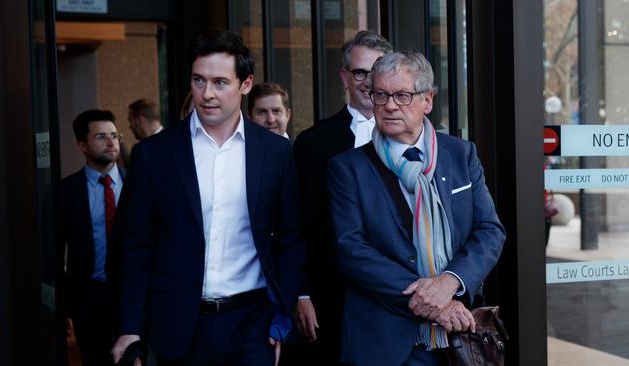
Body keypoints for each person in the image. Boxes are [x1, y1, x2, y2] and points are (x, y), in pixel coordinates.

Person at [111, 30, 306, 365]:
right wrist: (129, 327)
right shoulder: (155, 154)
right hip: (174, 323)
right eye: (198, 80)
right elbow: (134, 246)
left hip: (252, 323)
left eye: (220, 82)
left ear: (245, 85)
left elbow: (291, 237)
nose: (206, 94)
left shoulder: (274, 152)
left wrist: (280, 320)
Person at [327, 51, 505, 365]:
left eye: (402, 95)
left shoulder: (461, 154)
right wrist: (435, 303)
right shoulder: (348, 168)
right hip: (385, 341)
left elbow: (489, 231)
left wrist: (451, 282)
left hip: (459, 338)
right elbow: (352, 250)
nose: (390, 105)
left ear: (428, 100)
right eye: (380, 94)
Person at [289, 30, 392, 365]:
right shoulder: (312, 143)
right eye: (361, 72)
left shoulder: (413, 138)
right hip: (332, 298)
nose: (368, 82)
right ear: (345, 77)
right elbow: (297, 222)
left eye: (377, 72)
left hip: (400, 300)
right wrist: (301, 292)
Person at [61, 109, 126, 366]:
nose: (111, 142)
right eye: (101, 137)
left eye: (114, 135)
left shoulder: (138, 183)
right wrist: (62, 305)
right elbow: (54, 250)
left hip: (132, 294)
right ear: (82, 145)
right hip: (89, 298)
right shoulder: (65, 191)